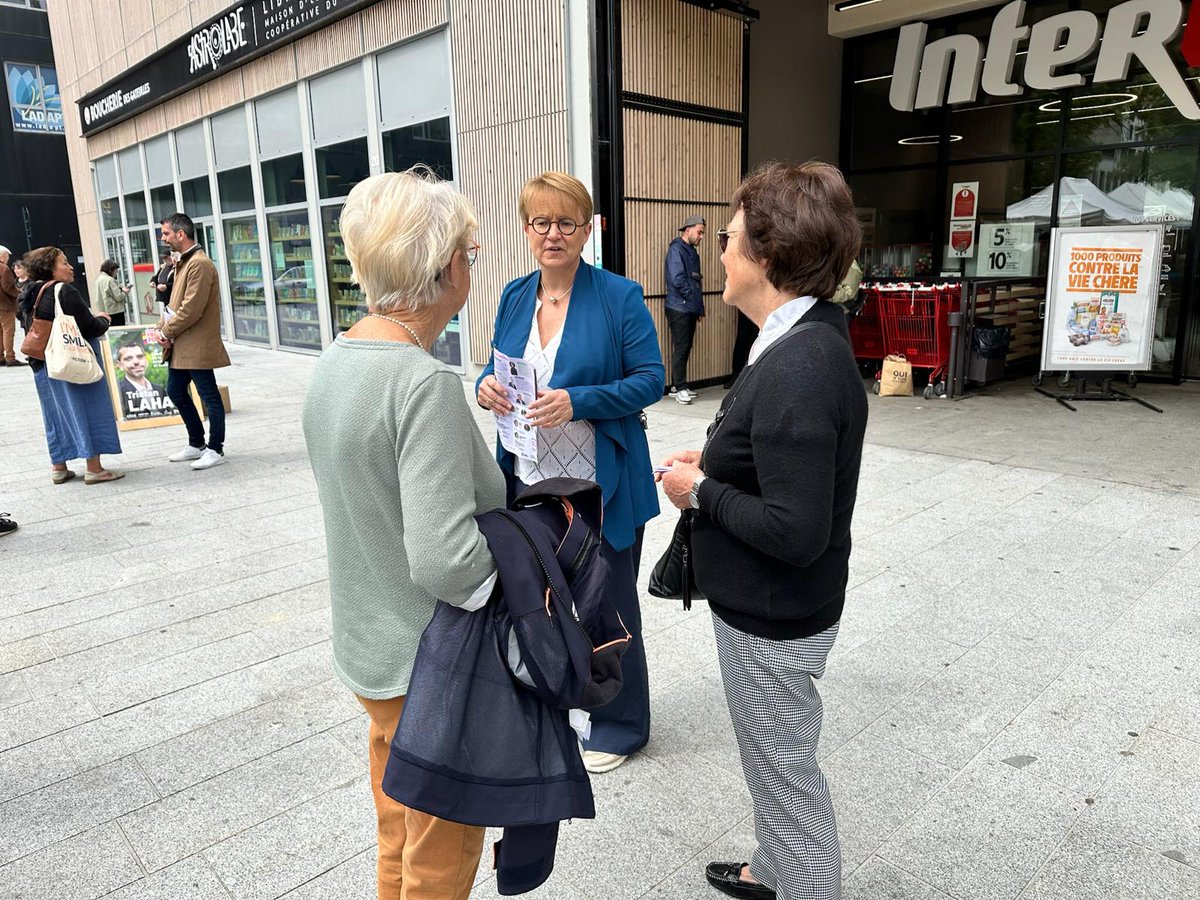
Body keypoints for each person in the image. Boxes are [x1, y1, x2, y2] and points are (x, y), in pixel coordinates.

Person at [658, 162, 868, 900]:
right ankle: (770, 870)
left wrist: (701, 489)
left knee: (786, 783)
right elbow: (781, 462)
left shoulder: (800, 363)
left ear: (768, 256)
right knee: (772, 762)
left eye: (728, 237)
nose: (717, 251)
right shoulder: (798, 335)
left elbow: (795, 529)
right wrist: (715, 457)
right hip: (771, 607)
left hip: (774, 618)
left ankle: (801, 877)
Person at [302, 168, 501, 900]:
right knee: (441, 858)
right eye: (469, 255)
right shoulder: (421, 383)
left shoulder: (335, 362)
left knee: (398, 831)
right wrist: (515, 572)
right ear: (447, 267)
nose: (469, 269)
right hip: (431, 666)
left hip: (367, 648)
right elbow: (448, 560)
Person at [476, 171, 665, 774]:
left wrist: (578, 400)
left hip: (598, 481)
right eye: (540, 222)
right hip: (529, 474)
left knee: (609, 600)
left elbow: (650, 379)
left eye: (566, 222)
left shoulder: (618, 296)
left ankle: (623, 722)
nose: (552, 234)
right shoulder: (513, 294)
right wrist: (486, 387)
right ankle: (558, 694)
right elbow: (496, 364)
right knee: (544, 597)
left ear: (587, 230)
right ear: (525, 228)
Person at [18, 246, 124, 484]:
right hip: (71, 363)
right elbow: (89, 327)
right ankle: (94, 468)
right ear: (50, 269)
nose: (70, 266)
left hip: (42, 364)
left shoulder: (29, 291)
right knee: (87, 409)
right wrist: (104, 320)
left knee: (54, 415)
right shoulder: (64, 291)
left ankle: (59, 466)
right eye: (64, 263)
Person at [155, 212, 230, 471]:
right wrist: (162, 328)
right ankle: (196, 442)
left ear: (180, 234)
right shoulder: (183, 262)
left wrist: (166, 331)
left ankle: (215, 448)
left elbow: (191, 309)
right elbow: (174, 306)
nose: (163, 238)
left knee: (209, 395)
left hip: (195, 342)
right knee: (175, 391)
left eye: (166, 233)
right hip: (182, 342)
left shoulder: (199, 263)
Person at [664, 215, 706, 404]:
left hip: (689, 307)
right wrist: (692, 300)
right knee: (681, 347)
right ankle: (680, 387)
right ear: (687, 230)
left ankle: (676, 386)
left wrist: (699, 308)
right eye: (699, 232)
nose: (701, 236)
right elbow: (678, 279)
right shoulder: (676, 250)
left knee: (687, 346)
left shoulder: (692, 252)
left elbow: (696, 282)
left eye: (702, 233)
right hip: (678, 308)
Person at [113, 340, 172, 419]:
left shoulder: (159, 390)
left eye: (140, 357)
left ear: (146, 361)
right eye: (129, 359)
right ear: (120, 365)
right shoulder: (118, 392)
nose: (136, 362)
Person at [0, 245, 24, 366]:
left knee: (0, 331)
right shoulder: (3, 268)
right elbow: (8, 287)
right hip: (5, 305)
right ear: (3, 256)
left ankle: (0, 357)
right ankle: (10, 357)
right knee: (8, 331)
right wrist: (21, 293)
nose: (8, 259)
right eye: (7, 256)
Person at [94, 258, 130, 326]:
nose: (116, 274)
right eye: (116, 271)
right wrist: (125, 292)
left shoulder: (98, 279)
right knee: (119, 332)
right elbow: (119, 297)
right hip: (115, 311)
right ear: (110, 270)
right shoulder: (110, 280)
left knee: (110, 331)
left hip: (104, 311)